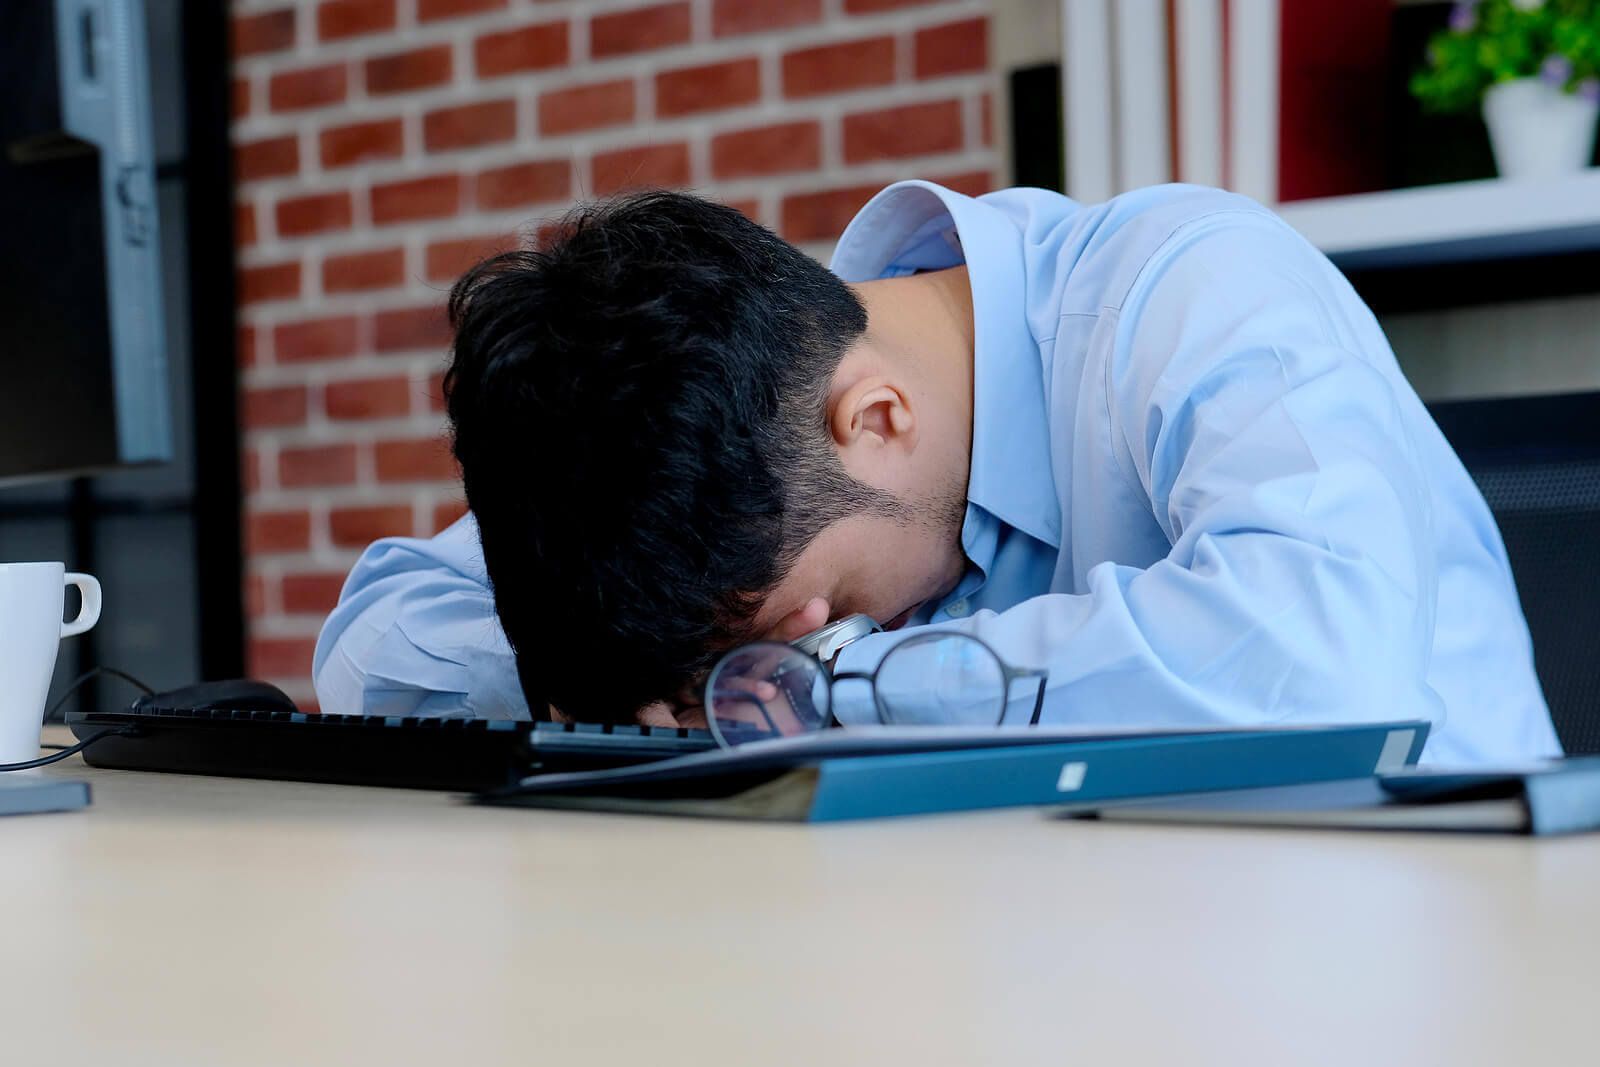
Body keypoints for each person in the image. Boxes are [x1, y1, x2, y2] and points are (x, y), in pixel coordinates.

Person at [311, 180, 1561, 765]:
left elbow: (1320, 657)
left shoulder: (1191, 287)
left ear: (880, 414)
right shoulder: (692, 438)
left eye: (811, 615)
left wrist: (826, 682)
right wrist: (640, 682)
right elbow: (377, 636)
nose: (795, 651)